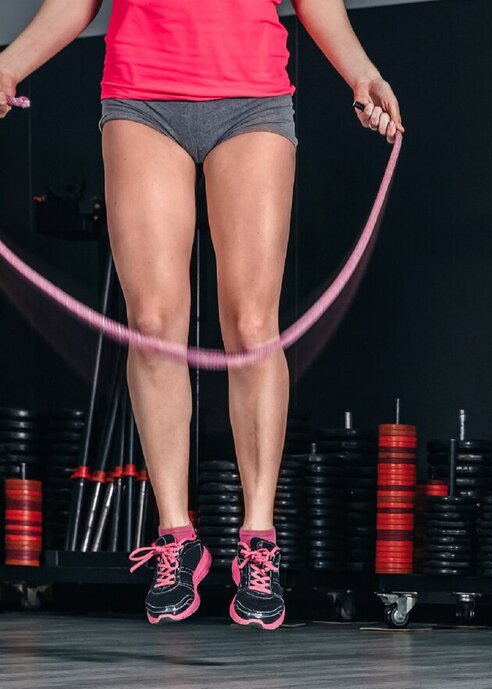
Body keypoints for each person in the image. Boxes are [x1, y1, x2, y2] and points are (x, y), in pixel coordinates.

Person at [0, 0, 402, 629]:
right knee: (152, 327)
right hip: (141, 96)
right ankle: (176, 536)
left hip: (252, 98)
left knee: (252, 328)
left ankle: (258, 540)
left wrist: (362, 73)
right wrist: (8, 67)